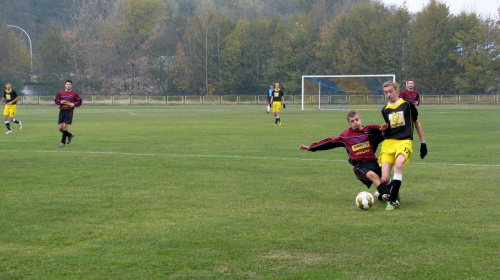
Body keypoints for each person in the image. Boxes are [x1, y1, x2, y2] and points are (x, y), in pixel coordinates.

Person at [299, 110, 391, 199]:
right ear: (349, 123)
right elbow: (330, 142)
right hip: (360, 165)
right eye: (352, 121)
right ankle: (390, 199)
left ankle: (383, 194)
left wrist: (383, 130)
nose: (355, 122)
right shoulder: (346, 136)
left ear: (361, 119)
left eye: (356, 119)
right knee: (373, 175)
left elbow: (385, 133)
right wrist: (311, 147)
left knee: (385, 180)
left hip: (373, 162)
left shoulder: (370, 130)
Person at [379, 81, 427, 210]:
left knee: (398, 165)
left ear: (396, 90)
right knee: (384, 179)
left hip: (404, 141)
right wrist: (384, 129)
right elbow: (389, 128)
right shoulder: (385, 109)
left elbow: (416, 123)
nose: (388, 94)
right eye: (386, 92)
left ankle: (392, 201)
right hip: (389, 143)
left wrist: (423, 142)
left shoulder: (407, 105)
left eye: (390, 91)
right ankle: (395, 191)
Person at [54, 80, 82, 147]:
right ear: (65, 85)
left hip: (69, 111)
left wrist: (74, 104)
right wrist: (60, 102)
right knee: (60, 128)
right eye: (67, 84)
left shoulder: (74, 93)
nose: (68, 85)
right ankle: (70, 135)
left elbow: (79, 101)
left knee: (64, 127)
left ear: (71, 85)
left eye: (69, 84)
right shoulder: (61, 93)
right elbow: (56, 100)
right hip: (62, 111)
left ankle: (62, 143)